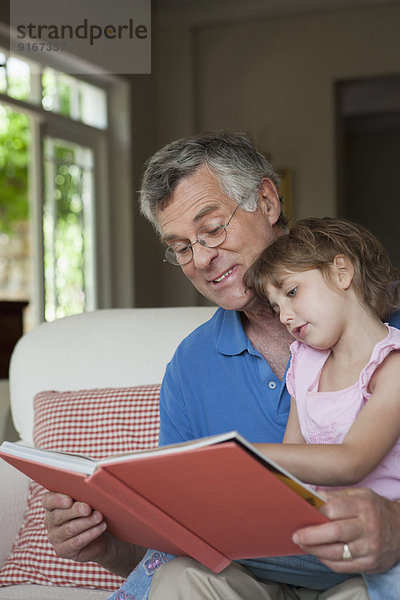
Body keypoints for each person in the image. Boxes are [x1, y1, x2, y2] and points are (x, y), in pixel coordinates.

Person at [43, 131, 400, 599]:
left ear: (267, 200)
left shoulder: (386, 334)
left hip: (368, 575)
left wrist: (393, 525)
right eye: (183, 247)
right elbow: (176, 538)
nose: (203, 260)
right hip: (250, 581)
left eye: (211, 229)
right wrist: (104, 544)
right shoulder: (191, 367)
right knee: (176, 578)